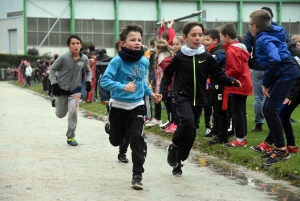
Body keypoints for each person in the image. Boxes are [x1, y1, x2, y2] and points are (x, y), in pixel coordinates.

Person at [160, 21, 241, 176]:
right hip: (182, 96)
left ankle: (179, 161)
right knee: (187, 122)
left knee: (191, 132)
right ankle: (174, 146)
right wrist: (164, 92)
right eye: (193, 35)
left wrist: (231, 80)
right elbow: (167, 75)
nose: (198, 38)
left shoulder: (207, 57)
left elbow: (218, 74)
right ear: (185, 37)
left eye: (200, 35)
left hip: (200, 99)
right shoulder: (179, 57)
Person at [100, 24, 162, 190]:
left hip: (137, 106)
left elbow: (142, 82)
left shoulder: (144, 61)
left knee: (136, 138)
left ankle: (137, 175)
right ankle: (113, 127)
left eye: (139, 40)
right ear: (122, 43)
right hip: (118, 106)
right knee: (116, 141)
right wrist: (123, 87)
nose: (137, 43)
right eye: (132, 40)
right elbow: (104, 81)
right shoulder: (117, 61)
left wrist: (151, 93)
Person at [248, 9, 300, 165]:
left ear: (255, 26)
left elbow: (275, 59)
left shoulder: (264, 39)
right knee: (267, 109)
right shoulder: (274, 31)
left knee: (271, 110)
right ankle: (278, 147)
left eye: (249, 24)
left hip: (286, 74)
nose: (249, 27)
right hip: (285, 72)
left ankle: (281, 150)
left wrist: (266, 83)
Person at [49, 34, 92, 146]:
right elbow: (52, 69)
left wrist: (88, 81)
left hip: (75, 89)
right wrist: (54, 84)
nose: (76, 46)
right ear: (69, 46)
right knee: (60, 115)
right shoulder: (63, 57)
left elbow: (88, 71)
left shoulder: (84, 59)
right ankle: (56, 101)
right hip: (61, 89)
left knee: (73, 111)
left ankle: (71, 136)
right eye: (73, 44)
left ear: (81, 45)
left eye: (78, 43)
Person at [243, 6, 278, 132]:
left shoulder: (253, 29)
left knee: (258, 97)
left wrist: (250, 62)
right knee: (273, 96)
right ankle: (274, 122)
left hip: (258, 67)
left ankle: (259, 124)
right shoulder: (277, 29)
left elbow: (246, 48)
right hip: (273, 67)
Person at [220, 24, 253, 148]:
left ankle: (240, 138)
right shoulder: (239, 47)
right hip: (243, 83)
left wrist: (223, 75)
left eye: (222, 36)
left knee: (236, 112)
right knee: (240, 111)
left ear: (227, 36)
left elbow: (235, 69)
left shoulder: (232, 50)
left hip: (237, 84)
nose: (221, 39)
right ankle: (242, 136)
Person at [99, 40, 130, 163]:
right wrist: (104, 98)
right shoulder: (113, 62)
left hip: (132, 103)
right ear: (118, 50)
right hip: (114, 101)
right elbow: (103, 82)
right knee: (118, 129)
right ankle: (111, 127)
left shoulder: (137, 63)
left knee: (129, 127)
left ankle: (122, 152)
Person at [203, 29, 230, 145]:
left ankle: (222, 135)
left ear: (215, 40)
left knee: (221, 110)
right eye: (204, 39)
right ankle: (216, 131)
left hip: (220, 84)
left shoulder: (220, 52)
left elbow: (215, 66)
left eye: (207, 40)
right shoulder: (211, 51)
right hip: (214, 83)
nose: (204, 42)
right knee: (216, 109)